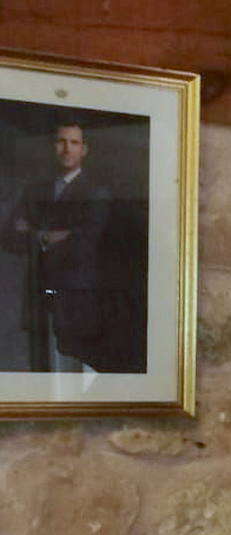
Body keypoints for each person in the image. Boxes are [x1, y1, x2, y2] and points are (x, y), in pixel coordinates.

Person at [1, 120, 111, 373]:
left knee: (75, 378)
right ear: (52, 147)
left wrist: (33, 232)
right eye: (61, 141)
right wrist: (51, 236)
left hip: (77, 300)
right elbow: (8, 237)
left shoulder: (96, 194)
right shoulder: (35, 191)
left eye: (73, 143)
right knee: (42, 373)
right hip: (39, 297)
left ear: (84, 149)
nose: (66, 149)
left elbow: (86, 245)